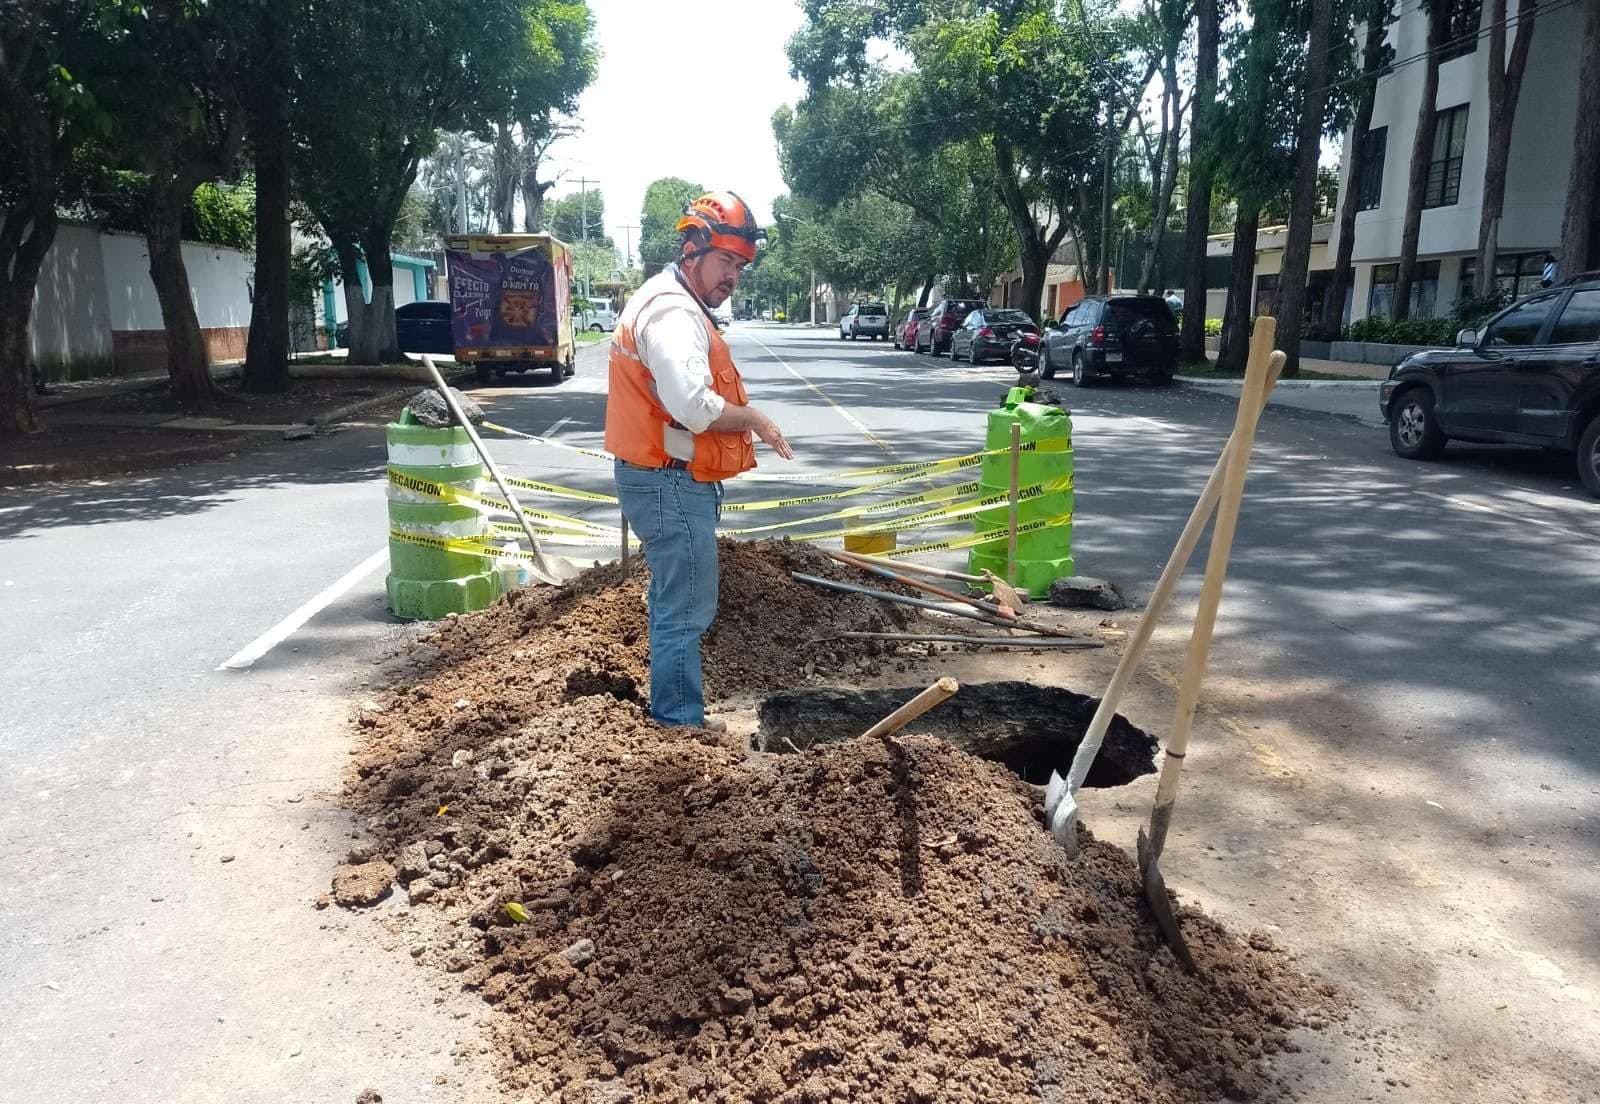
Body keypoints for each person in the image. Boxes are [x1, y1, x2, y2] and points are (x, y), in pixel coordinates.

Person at [604, 191, 794, 729]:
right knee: (685, 610)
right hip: (666, 481)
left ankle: (675, 715)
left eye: (739, 266)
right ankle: (678, 725)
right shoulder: (671, 312)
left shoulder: (675, 300)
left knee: (677, 603)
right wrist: (753, 418)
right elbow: (691, 404)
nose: (732, 277)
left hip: (668, 477)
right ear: (692, 249)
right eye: (724, 262)